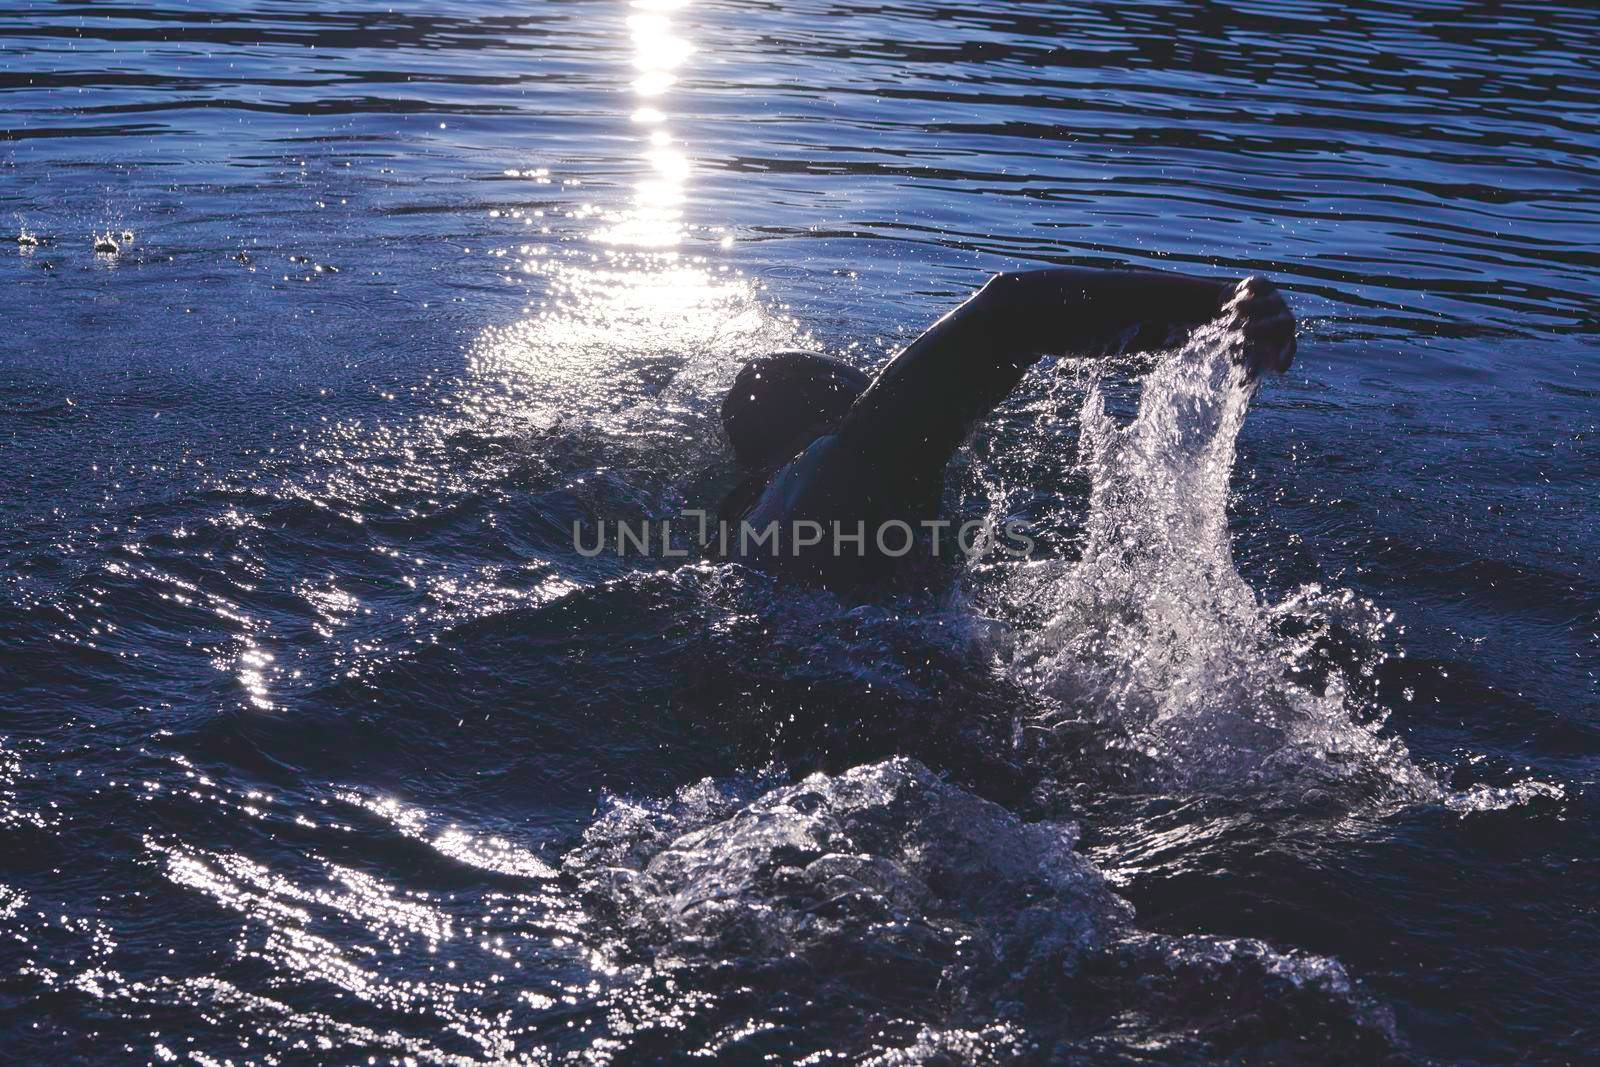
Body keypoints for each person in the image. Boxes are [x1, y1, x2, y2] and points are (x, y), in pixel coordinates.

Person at [716, 268, 1296, 583]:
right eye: (868, 396)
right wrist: (1223, 305)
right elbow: (1010, 309)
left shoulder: (753, 534)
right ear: (837, 415)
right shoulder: (839, 472)